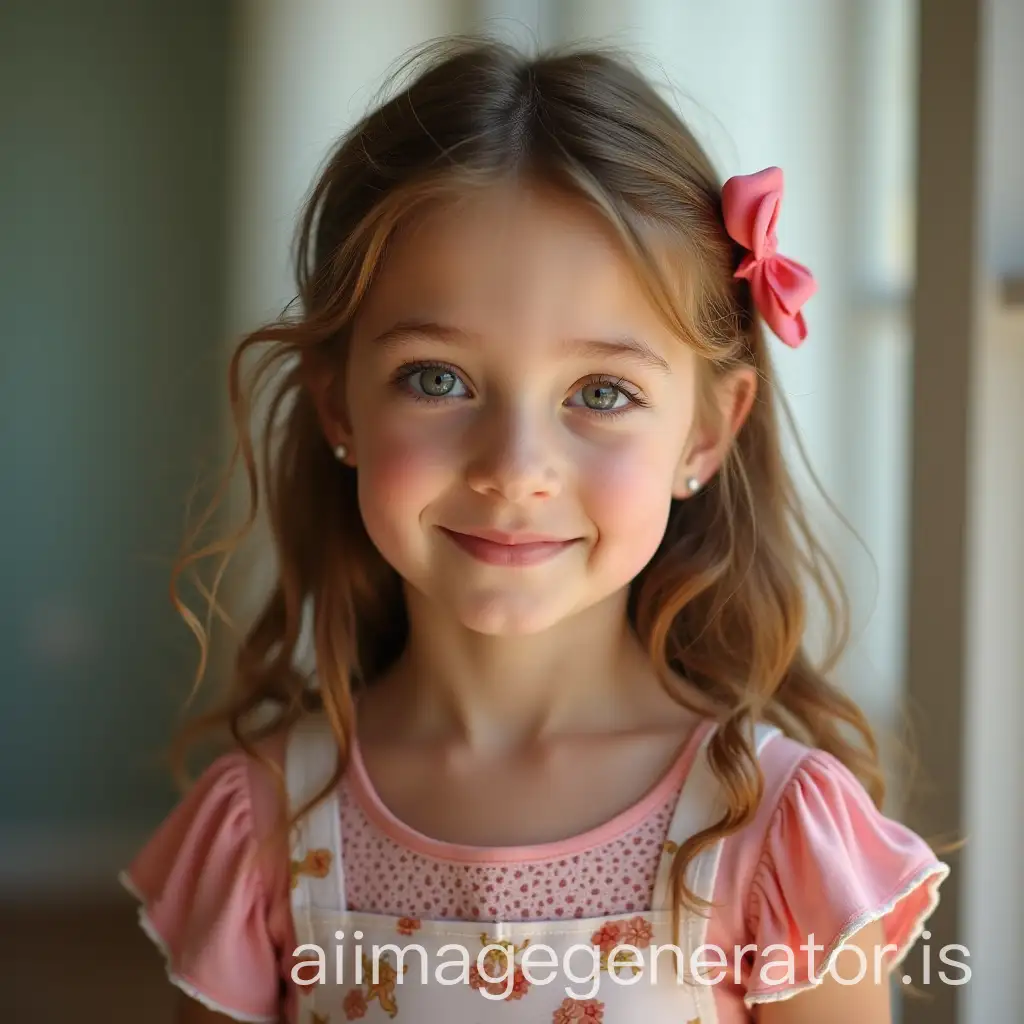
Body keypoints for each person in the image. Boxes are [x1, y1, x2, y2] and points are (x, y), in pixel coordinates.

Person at [120, 37, 950, 1024]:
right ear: (339, 405)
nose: (513, 469)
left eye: (601, 392)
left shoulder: (774, 833)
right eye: (438, 378)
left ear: (706, 430)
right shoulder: (260, 826)